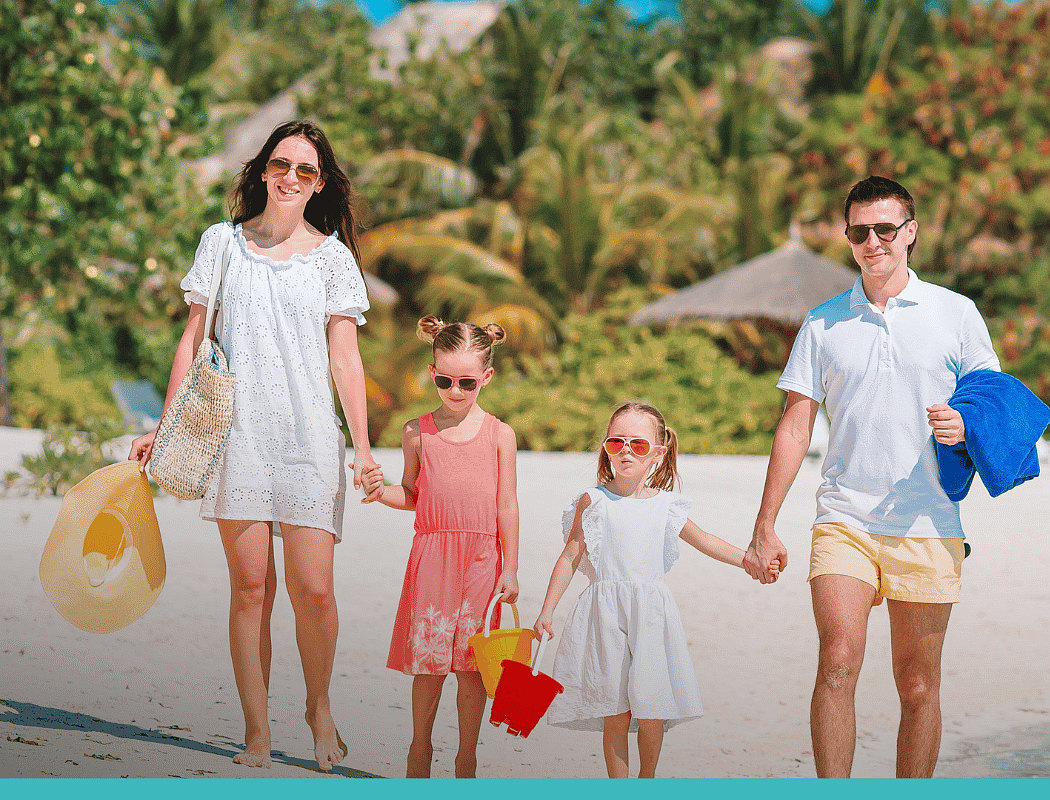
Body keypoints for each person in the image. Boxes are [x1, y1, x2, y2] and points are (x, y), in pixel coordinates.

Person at [129, 119, 378, 771]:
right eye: (281, 164)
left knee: (315, 592)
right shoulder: (222, 245)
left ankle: (318, 708)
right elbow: (192, 339)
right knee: (249, 588)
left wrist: (365, 446)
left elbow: (345, 360)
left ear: (320, 183)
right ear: (262, 170)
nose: (291, 177)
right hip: (237, 437)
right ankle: (258, 734)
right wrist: (165, 424)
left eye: (306, 170)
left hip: (310, 441)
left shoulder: (332, 259)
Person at [743, 176, 1000, 778]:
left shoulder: (955, 313)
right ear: (849, 237)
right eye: (860, 231)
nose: (873, 241)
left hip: (929, 520)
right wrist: (765, 524)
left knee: (917, 687)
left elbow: (991, 401)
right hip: (845, 518)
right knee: (837, 661)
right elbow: (795, 426)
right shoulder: (823, 324)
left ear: (911, 232)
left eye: (886, 229)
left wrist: (964, 425)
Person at [532, 401, 751, 778]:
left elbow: (708, 541)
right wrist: (547, 610)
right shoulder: (594, 500)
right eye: (617, 443)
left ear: (658, 454)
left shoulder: (667, 505)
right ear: (606, 448)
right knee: (614, 708)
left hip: (651, 617)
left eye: (638, 444)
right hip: (605, 615)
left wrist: (749, 561)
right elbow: (569, 557)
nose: (627, 451)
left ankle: (647, 779)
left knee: (652, 705)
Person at [361, 317, 521, 778]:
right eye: (446, 380)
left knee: (473, 668)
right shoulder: (417, 431)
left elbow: (507, 505)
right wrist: (378, 489)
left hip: (483, 562)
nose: (455, 390)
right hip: (432, 559)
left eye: (466, 382)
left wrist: (510, 569)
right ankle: (419, 751)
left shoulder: (500, 434)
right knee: (428, 663)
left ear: (486, 378)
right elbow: (411, 495)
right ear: (432, 372)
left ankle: (466, 757)